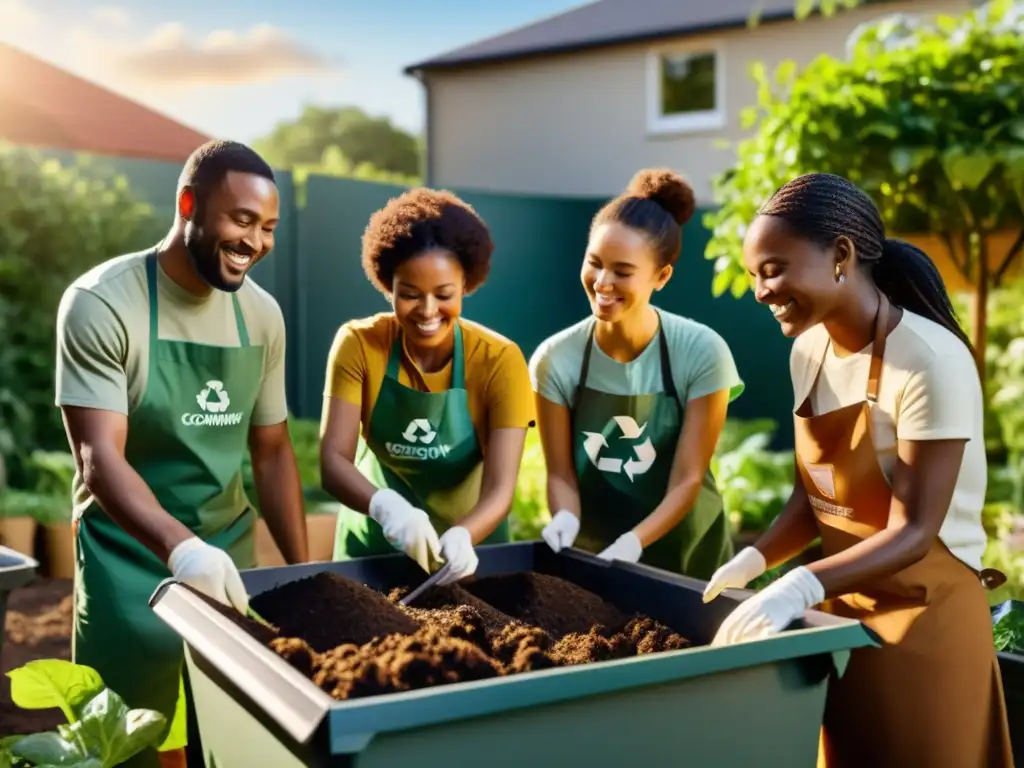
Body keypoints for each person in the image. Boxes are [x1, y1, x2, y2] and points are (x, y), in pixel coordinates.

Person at [704, 172, 1014, 767]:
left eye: (774, 268)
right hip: (844, 619)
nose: (762, 291)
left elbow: (916, 529)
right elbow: (813, 498)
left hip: (927, 623)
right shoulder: (808, 352)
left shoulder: (928, 361)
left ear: (841, 255)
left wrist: (802, 584)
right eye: (754, 275)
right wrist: (756, 560)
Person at [55, 140, 309, 768]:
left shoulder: (262, 315)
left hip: (227, 555)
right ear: (189, 204)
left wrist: (306, 580)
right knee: (126, 747)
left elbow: (272, 451)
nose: (256, 242)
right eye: (241, 220)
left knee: (229, 742)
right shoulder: (102, 303)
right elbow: (98, 458)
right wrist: (179, 548)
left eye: (269, 227)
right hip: (127, 561)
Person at [529, 169, 744, 578]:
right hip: (595, 558)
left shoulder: (701, 352)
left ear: (661, 277)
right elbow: (560, 474)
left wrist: (633, 543)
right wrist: (565, 520)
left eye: (623, 271)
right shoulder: (554, 359)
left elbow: (687, 479)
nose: (603, 282)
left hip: (687, 558)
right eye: (594, 263)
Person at [320, 187, 535, 584]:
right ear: (389, 286)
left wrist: (464, 534)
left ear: (466, 285)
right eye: (410, 295)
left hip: (469, 553)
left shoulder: (498, 360)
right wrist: (386, 508)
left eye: (444, 294)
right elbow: (333, 461)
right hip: (373, 548)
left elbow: (502, 487)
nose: (428, 310)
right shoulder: (359, 345)